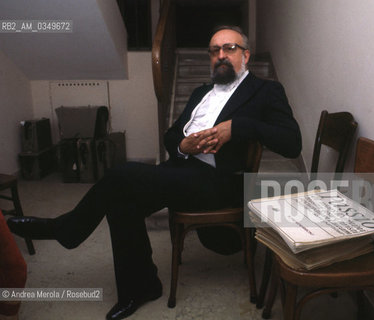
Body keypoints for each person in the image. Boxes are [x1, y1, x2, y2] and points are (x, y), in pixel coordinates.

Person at [7, 26, 301, 320]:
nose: (221, 55)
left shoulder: (265, 91)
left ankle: (67, 229)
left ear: (246, 55)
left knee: (120, 175)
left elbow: (292, 142)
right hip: (182, 171)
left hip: (220, 184)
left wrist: (237, 127)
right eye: (214, 50)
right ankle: (140, 288)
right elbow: (171, 135)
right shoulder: (202, 92)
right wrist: (183, 145)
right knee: (122, 201)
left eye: (229, 48)